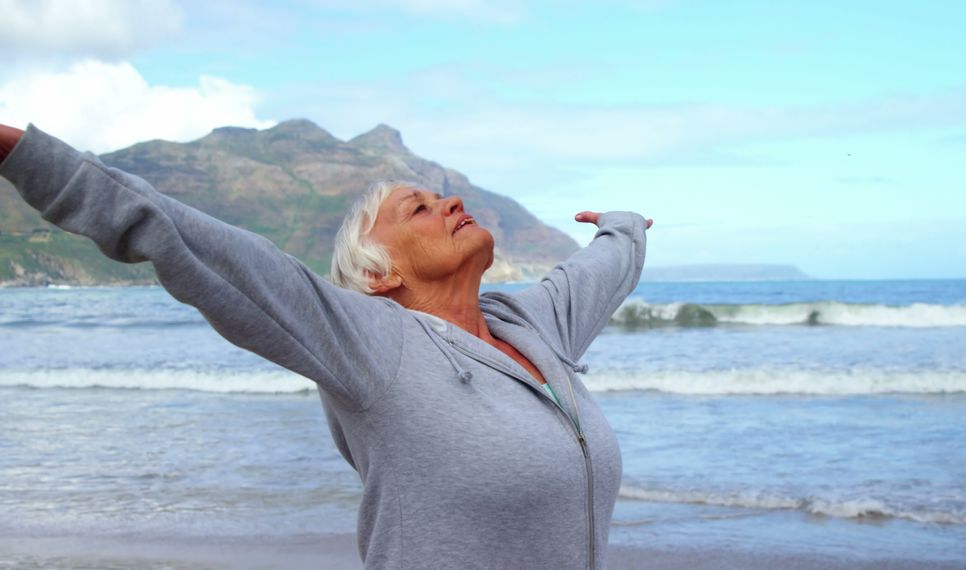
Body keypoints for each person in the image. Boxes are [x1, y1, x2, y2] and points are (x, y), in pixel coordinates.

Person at [0, 122, 651, 569]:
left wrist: (622, 227)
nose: (451, 203)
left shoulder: (533, 324)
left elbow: (603, 270)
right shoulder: (372, 344)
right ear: (378, 275)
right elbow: (194, 241)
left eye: (440, 197)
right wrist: (20, 151)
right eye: (418, 210)